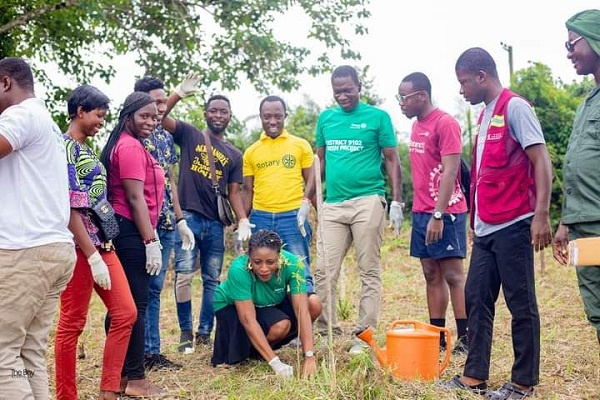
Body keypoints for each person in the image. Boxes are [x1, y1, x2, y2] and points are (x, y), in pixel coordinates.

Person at [442, 48, 553, 400]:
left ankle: (523, 382)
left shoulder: (515, 107)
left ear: (480, 76)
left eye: (463, 82)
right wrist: (476, 222)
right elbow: (483, 175)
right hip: (487, 227)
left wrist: (542, 215)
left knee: (521, 304)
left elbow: (541, 162)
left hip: (517, 222)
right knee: (476, 298)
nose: (461, 90)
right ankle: (475, 375)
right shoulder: (485, 114)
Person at [0, 57, 76, 400]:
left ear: (5, 83)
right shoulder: (45, 123)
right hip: (55, 250)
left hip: (24, 252)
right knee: (28, 353)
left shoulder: (19, 115)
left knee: (2, 355)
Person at [314, 65, 403, 354]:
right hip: (334, 203)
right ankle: (326, 330)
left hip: (368, 200)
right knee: (324, 271)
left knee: (368, 270)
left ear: (358, 86)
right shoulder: (326, 119)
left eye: (347, 89)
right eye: (337, 90)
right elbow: (320, 163)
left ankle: (363, 336)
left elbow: (392, 160)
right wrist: (308, 199)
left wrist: (397, 202)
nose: (342, 95)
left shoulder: (377, 118)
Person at [54, 85, 137, 400]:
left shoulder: (87, 149)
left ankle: (108, 389)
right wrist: (90, 256)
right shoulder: (64, 148)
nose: (102, 121)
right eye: (98, 115)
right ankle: (66, 395)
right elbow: (70, 207)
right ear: (79, 111)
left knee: (126, 312)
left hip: (103, 245)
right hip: (79, 249)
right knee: (72, 324)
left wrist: (101, 248)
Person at [161, 76, 252, 353]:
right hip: (188, 217)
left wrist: (243, 219)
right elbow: (160, 117)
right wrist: (177, 94)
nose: (218, 115)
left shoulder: (235, 154)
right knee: (185, 275)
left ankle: (204, 332)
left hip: (215, 223)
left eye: (223, 111)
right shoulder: (189, 134)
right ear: (205, 113)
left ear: (230, 117)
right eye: (213, 110)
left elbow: (234, 191)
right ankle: (185, 334)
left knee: (212, 279)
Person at [99, 91, 167, 398]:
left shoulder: (130, 144)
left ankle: (124, 376)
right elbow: (135, 198)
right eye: (145, 116)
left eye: (154, 116)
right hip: (130, 231)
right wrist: (150, 239)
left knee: (125, 307)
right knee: (135, 306)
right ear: (128, 116)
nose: (151, 122)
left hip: (130, 230)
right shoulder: (127, 147)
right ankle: (136, 379)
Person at [398, 72, 468, 355]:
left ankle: (465, 338)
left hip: (446, 212)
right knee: (430, 273)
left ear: (421, 96)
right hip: (421, 212)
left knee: (452, 274)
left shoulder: (445, 123)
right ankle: (439, 335)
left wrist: (439, 215)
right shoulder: (416, 126)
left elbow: (451, 171)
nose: (401, 104)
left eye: (404, 98)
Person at [242, 95, 322, 323]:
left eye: (278, 116)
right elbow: (247, 189)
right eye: (267, 116)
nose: (273, 121)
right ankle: (267, 323)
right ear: (261, 118)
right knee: (260, 271)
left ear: (285, 116)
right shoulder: (252, 151)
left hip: (292, 216)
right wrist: (242, 220)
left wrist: (310, 206)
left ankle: (302, 326)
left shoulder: (300, 145)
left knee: (299, 270)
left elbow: (312, 182)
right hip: (261, 217)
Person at [134, 76, 193, 371]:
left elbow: (171, 181)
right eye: (154, 102)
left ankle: (152, 352)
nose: (159, 109)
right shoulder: (135, 134)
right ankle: (135, 354)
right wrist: (176, 95)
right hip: (142, 224)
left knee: (156, 289)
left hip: (167, 222)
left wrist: (181, 219)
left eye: (162, 102)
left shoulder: (165, 138)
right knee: (140, 291)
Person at [553, 9, 600, 345]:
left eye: (572, 44)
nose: (568, 53)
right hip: (584, 226)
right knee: (595, 304)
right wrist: (566, 223)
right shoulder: (586, 104)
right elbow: (576, 167)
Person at [211, 230, 317, 378]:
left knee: (314, 303)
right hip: (233, 306)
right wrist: (276, 363)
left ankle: (259, 351)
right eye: (257, 262)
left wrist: (309, 356)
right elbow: (248, 319)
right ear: (249, 256)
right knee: (280, 325)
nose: (264, 268)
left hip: (267, 302)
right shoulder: (238, 269)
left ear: (279, 256)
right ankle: (261, 352)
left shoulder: (294, 264)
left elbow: (302, 311)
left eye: (270, 262)